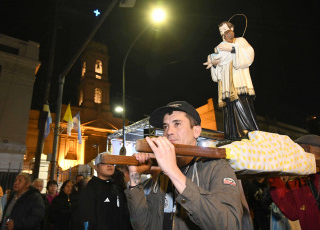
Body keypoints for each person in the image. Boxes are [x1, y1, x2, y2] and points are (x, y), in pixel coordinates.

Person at [125, 101, 243, 229]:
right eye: (165, 126)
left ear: (196, 131)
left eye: (177, 124)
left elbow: (230, 225)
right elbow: (142, 226)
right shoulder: (163, 176)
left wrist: (174, 172)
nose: (169, 131)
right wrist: (134, 177)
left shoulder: (217, 167)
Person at [204, 21, 259, 140]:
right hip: (226, 86)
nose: (223, 33)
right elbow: (217, 74)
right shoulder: (219, 47)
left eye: (224, 29)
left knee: (241, 104)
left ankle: (248, 134)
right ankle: (232, 135)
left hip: (238, 82)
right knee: (229, 109)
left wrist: (232, 49)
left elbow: (249, 55)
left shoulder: (239, 41)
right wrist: (213, 64)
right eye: (220, 31)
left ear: (232, 29)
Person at [79, 152, 132, 230]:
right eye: (104, 162)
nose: (109, 165)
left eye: (111, 162)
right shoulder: (90, 190)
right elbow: (87, 220)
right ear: (96, 167)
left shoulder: (117, 188)